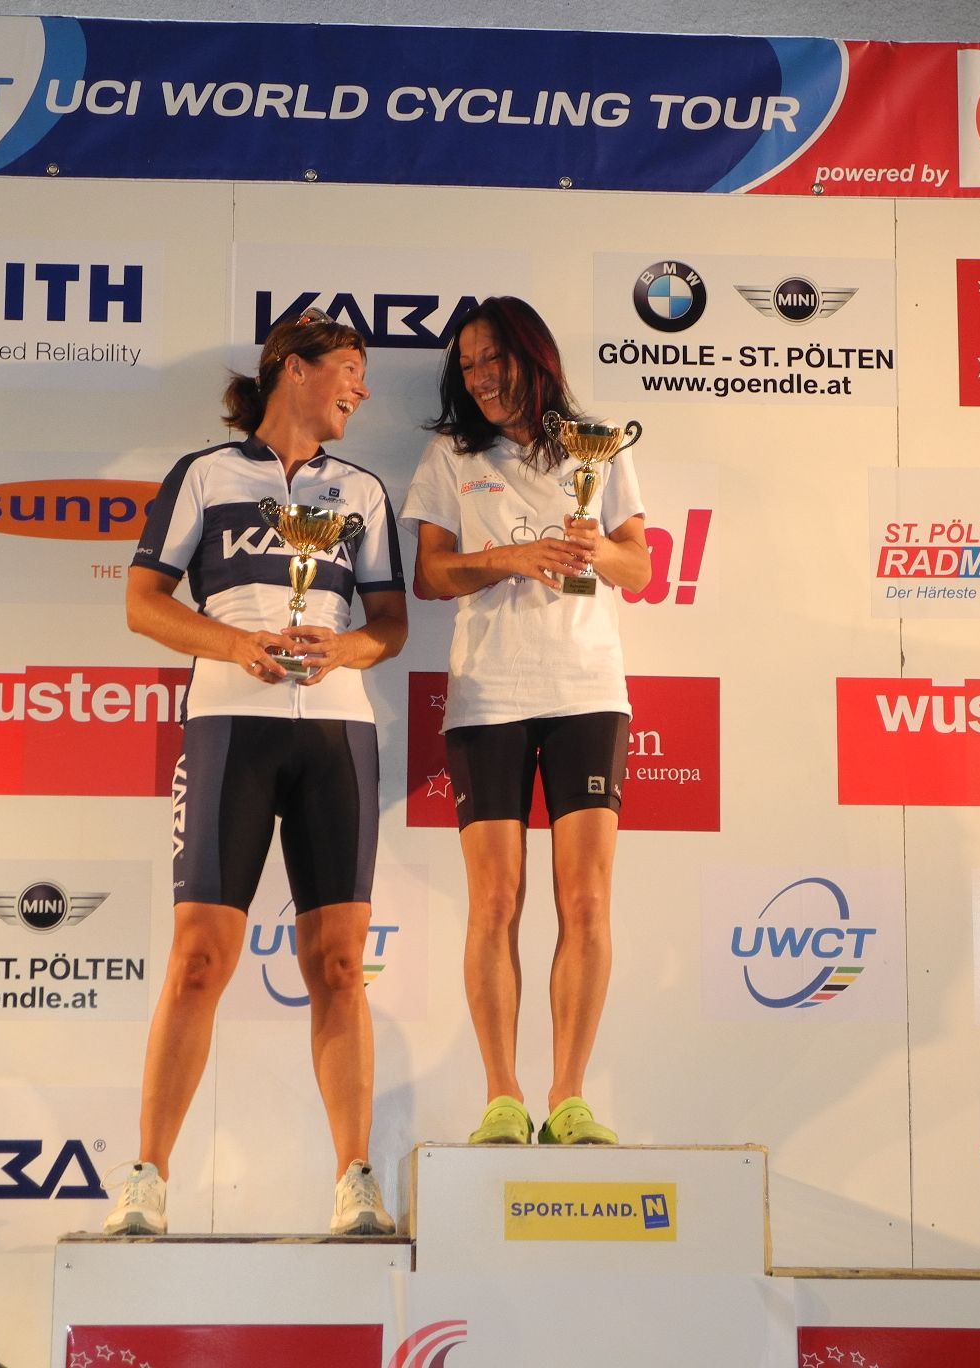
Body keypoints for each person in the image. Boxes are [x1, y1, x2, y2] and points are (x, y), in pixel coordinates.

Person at [103, 308, 407, 1237]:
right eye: (348, 367)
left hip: (337, 736)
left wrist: (344, 647)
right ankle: (148, 1180)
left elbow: (390, 627)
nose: (361, 388)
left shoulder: (362, 490)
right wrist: (236, 643)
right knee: (199, 959)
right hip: (230, 724)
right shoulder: (205, 474)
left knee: (341, 965)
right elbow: (143, 603)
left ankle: (355, 1179)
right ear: (293, 368)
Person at [401, 297, 650, 1147]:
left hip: (587, 690)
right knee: (496, 899)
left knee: (586, 898)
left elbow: (639, 568)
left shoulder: (598, 443)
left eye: (493, 360)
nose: (479, 378)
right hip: (487, 697)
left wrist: (592, 549)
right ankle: (502, 1097)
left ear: (531, 357)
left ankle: (569, 1097)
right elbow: (430, 576)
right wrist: (513, 557)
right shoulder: (451, 455)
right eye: (467, 365)